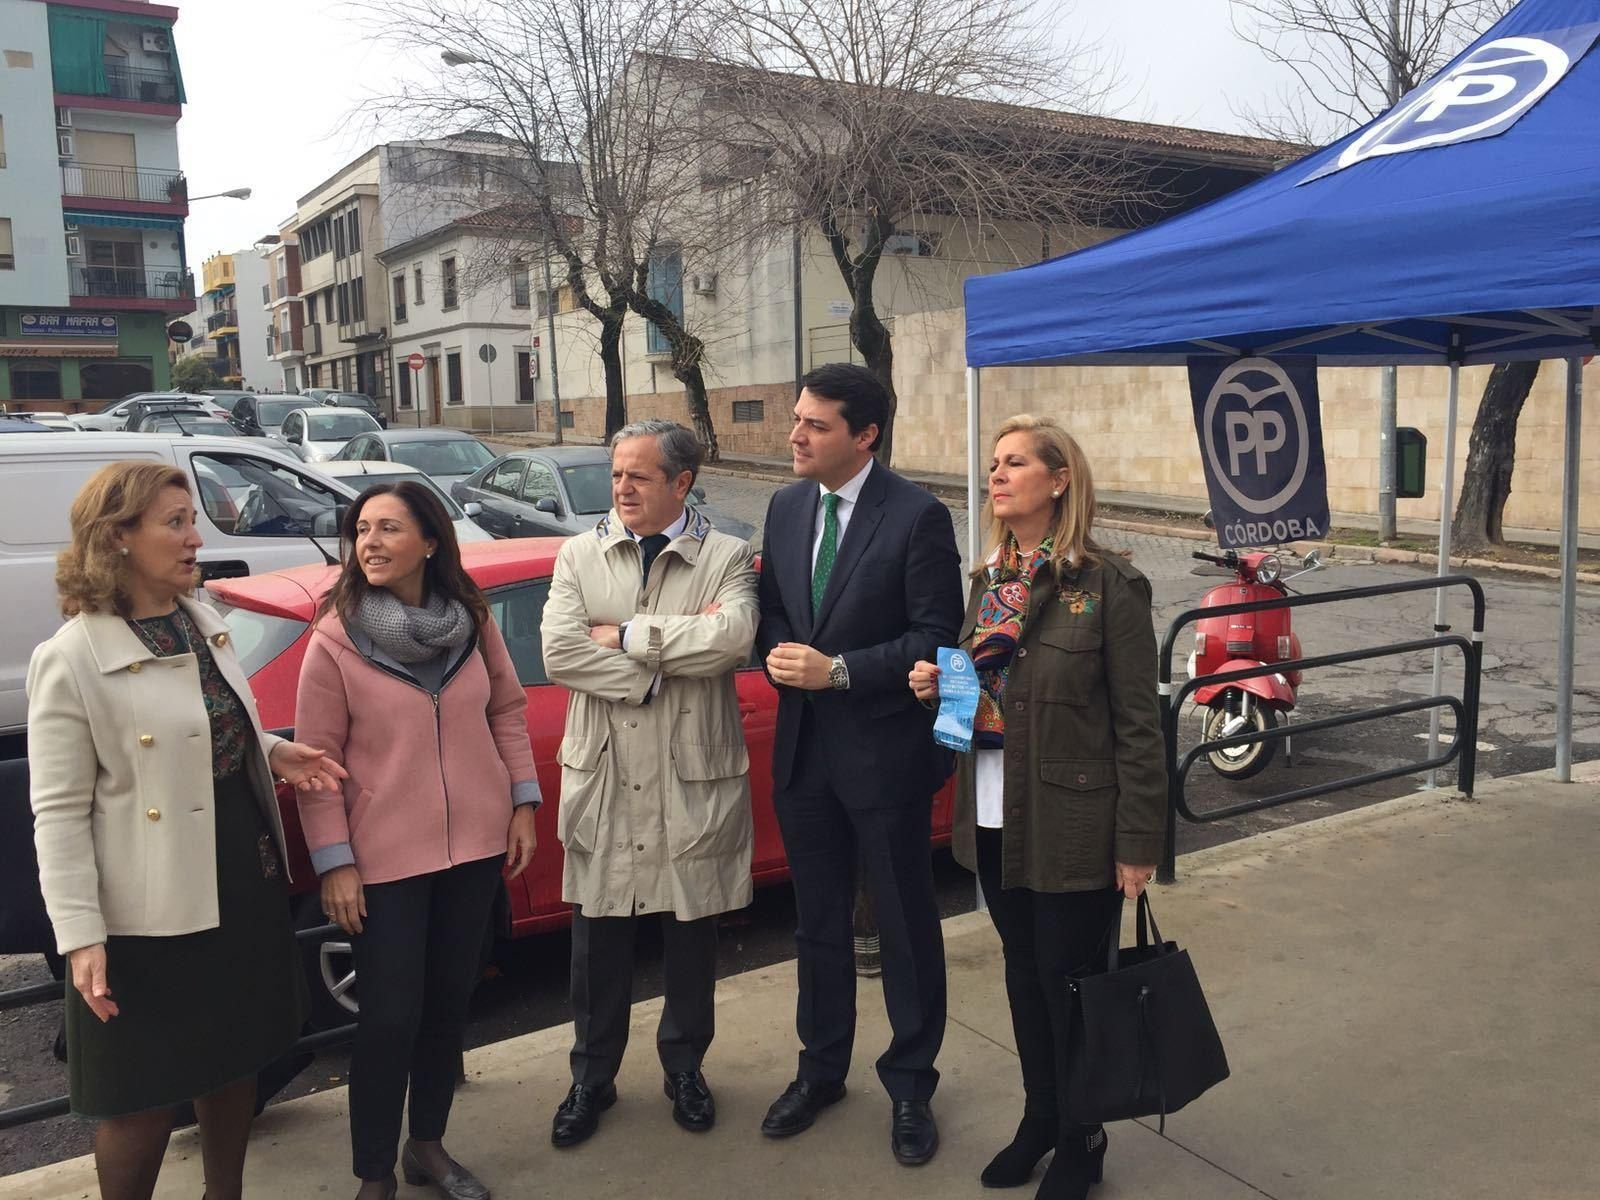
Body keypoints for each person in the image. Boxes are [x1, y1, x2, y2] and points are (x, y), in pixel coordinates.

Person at [27, 462, 345, 1200]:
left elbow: (204, 727)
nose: (196, 538)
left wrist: (272, 750)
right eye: (175, 523)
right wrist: (81, 936)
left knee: (233, 1058)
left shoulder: (199, 622)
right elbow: (60, 813)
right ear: (118, 537)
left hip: (237, 870)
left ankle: (223, 1194)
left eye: (191, 521)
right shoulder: (70, 658)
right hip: (146, 904)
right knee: (138, 1092)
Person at [908, 414, 1166, 1200]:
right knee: (1025, 976)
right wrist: (938, 689)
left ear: (1059, 480)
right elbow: (973, 708)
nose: (996, 474)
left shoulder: (1108, 586)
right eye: (994, 462)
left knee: (1069, 981)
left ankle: (1083, 1136)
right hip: (992, 817)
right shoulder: (989, 583)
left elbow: (1139, 724)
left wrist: (1139, 840)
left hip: (1073, 823)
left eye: (1015, 462)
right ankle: (1042, 1116)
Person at [294, 481, 540, 1200]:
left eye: (388, 528)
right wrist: (335, 862)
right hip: (384, 860)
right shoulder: (335, 639)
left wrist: (522, 803)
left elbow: (507, 711)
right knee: (389, 1018)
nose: (369, 542)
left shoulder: (473, 621)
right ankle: (374, 1173)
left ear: (430, 542)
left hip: (475, 848)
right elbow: (316, 763)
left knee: (447, 1004)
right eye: (361, 529)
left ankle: (426, 1146)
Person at [754, 363, 964, 1165]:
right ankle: (820, 1071)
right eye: (796, 419)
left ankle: (911, 1086)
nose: (796, 435)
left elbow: (935, 638)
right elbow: (776, 608)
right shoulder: (785, 506)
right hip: (805, 756)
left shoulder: (916, 517)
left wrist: (838, 671)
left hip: (885, 757)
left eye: (815, 424)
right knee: (817, 925)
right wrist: (780, 650)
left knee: (905, 925)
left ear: (865, 435)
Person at [540, 419, 759, 1146]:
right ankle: (591, 1077)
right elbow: (560, 654)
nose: (622, 488)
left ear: (681, 483)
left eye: (638, 475)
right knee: (597, 941)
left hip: (689, 775)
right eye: (616, 474)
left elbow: (732, 638)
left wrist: (627, 634)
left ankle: (685, 1069)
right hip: (604, 775)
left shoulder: (726, 554)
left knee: (691, 936)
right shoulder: (579, 553)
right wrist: (656, 671)